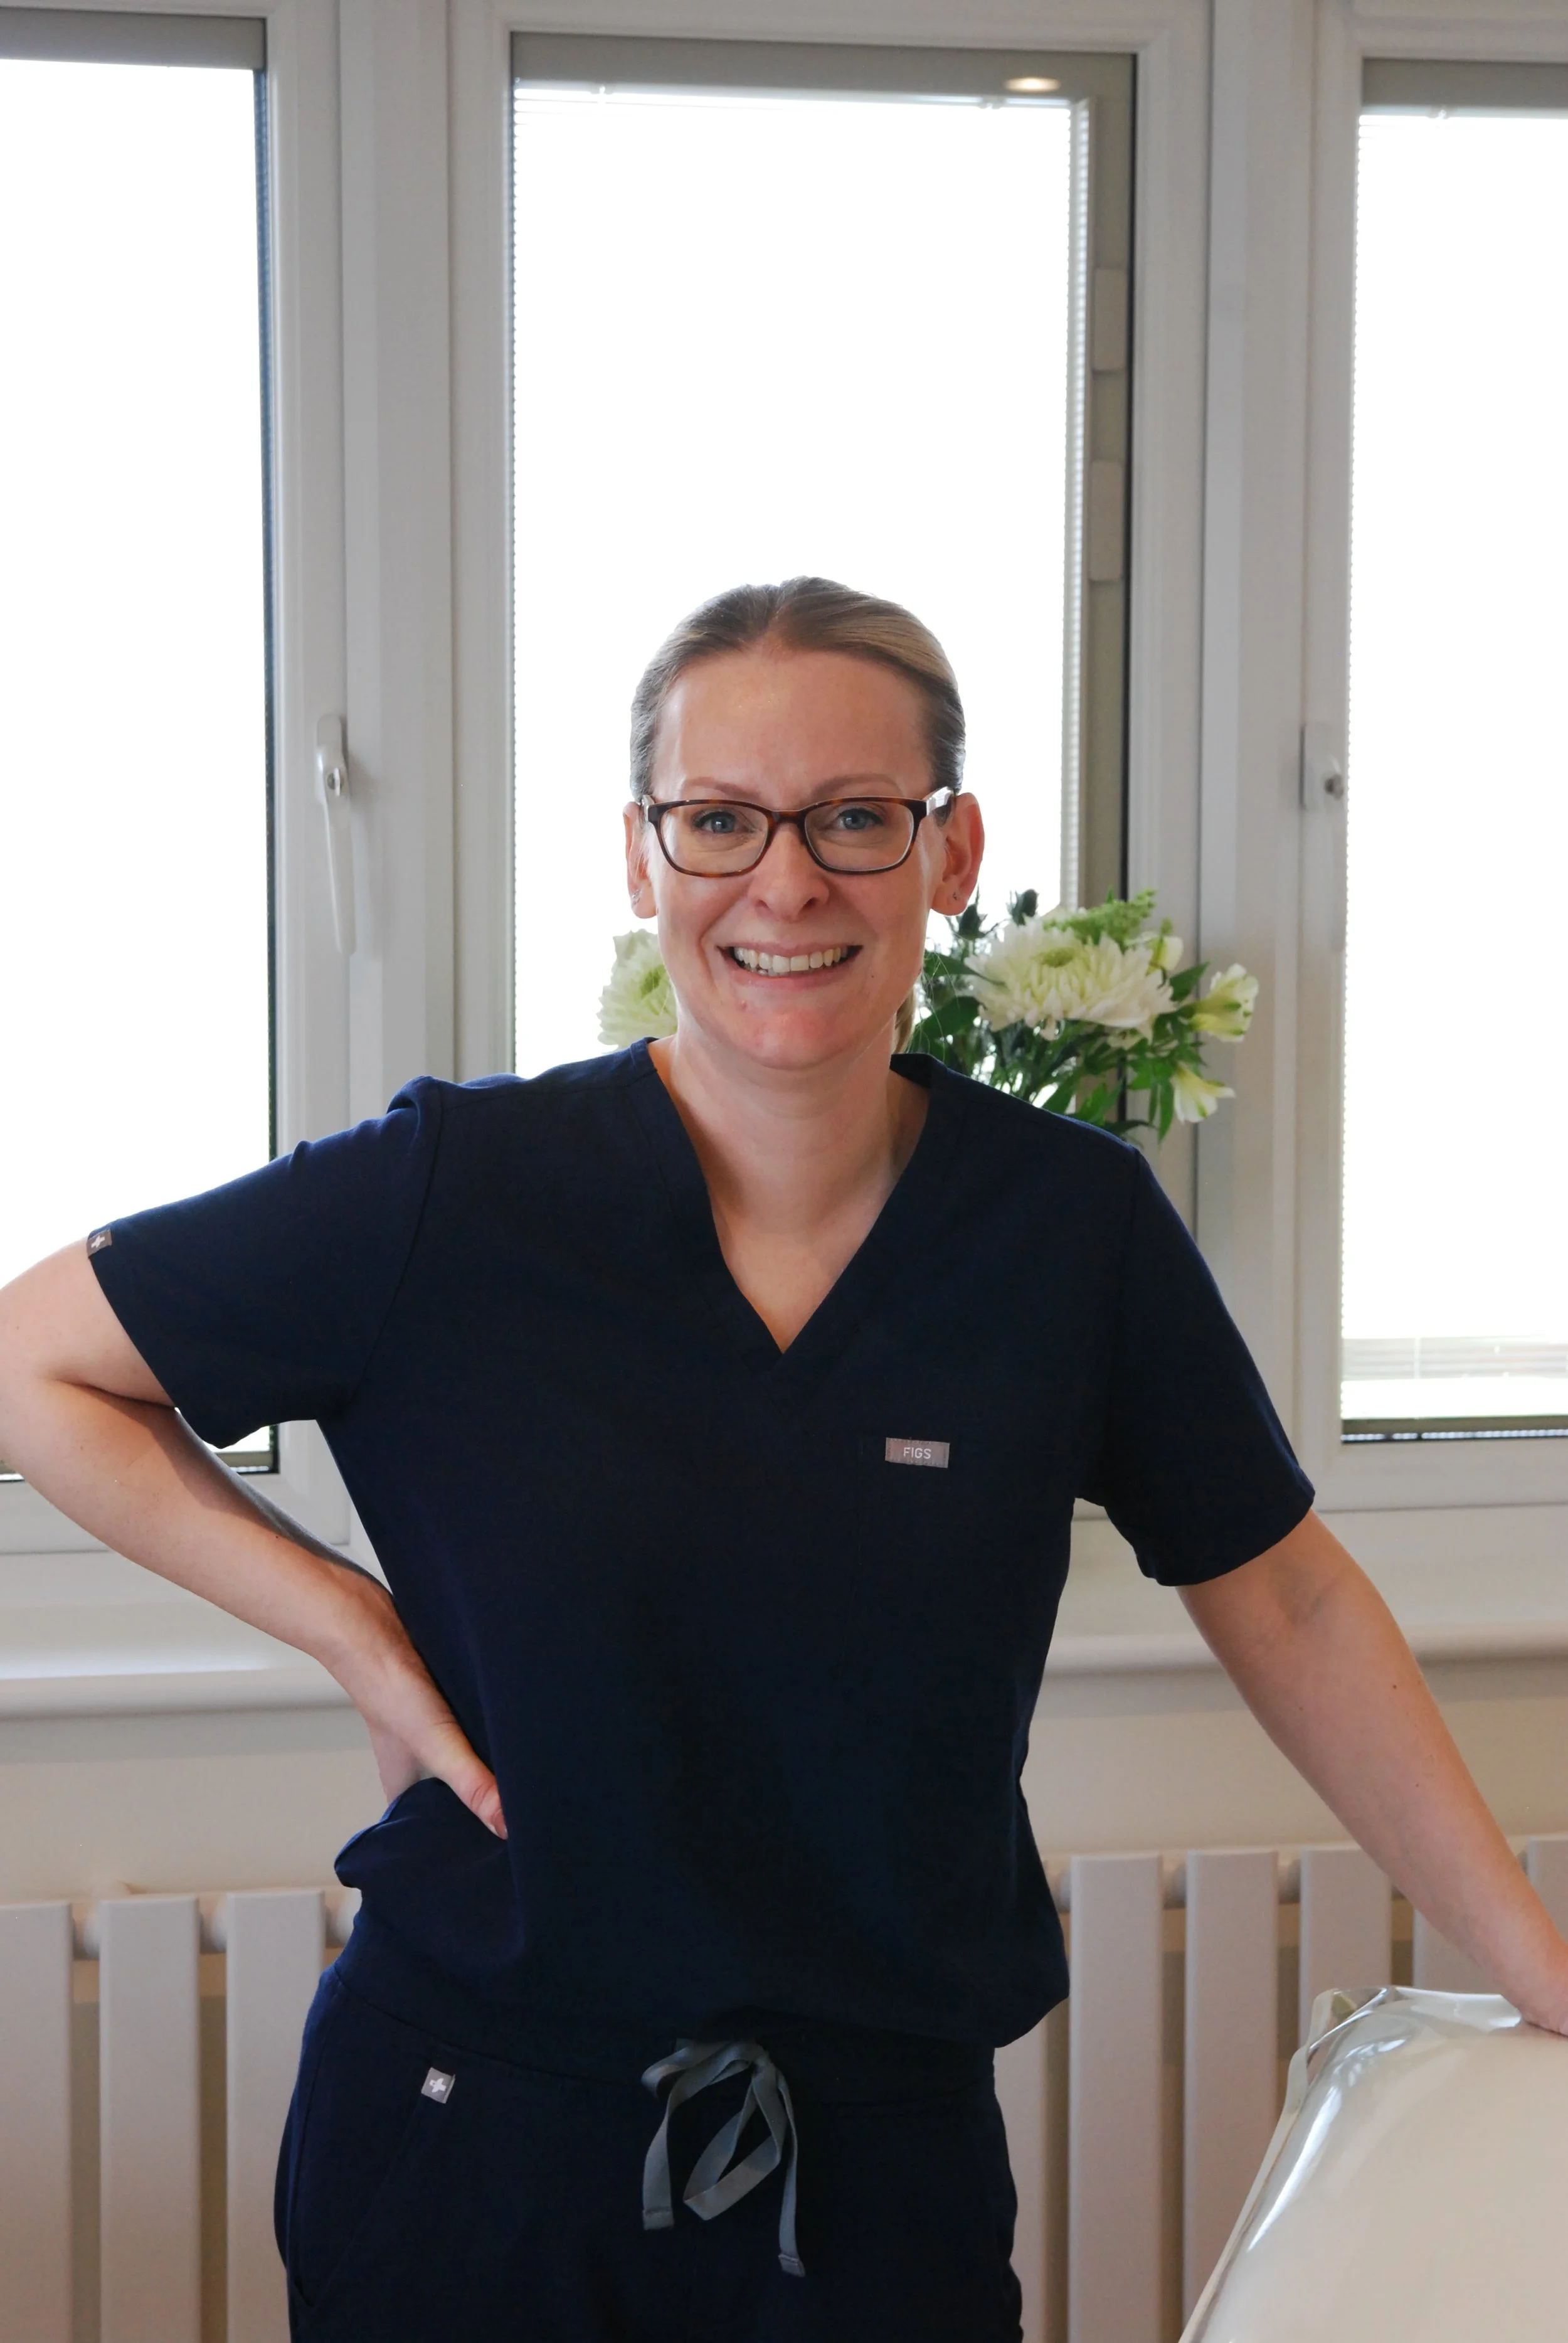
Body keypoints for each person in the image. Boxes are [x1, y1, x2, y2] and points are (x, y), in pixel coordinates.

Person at [1, 576, 1564, 2343]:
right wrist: (351, 1625)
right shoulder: (454, 1192)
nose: (787, 882)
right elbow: (31, 1362)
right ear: (640, 855)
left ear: (951, 850)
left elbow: (1284, 1596)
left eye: (853, 818)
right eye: (721, 820)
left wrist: (1538, 1965)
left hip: (877, 2163)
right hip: (470, 2140)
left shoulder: (1068, 1233)